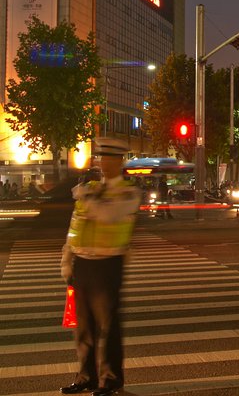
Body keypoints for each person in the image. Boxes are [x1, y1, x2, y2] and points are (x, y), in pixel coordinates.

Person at [59, 137, 141, 396]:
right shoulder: (91, 188)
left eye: (108, 158)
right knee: (84, 327)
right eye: (101, 157)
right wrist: (66, 259)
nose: (103, 162)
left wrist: (88, 198)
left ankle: (111, 379)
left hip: (109, 264)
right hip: (83, 263)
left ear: (119, 161)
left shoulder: (128, 192)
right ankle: (86, 377)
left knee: (109, 325)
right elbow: (75, 224)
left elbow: (109, 216)